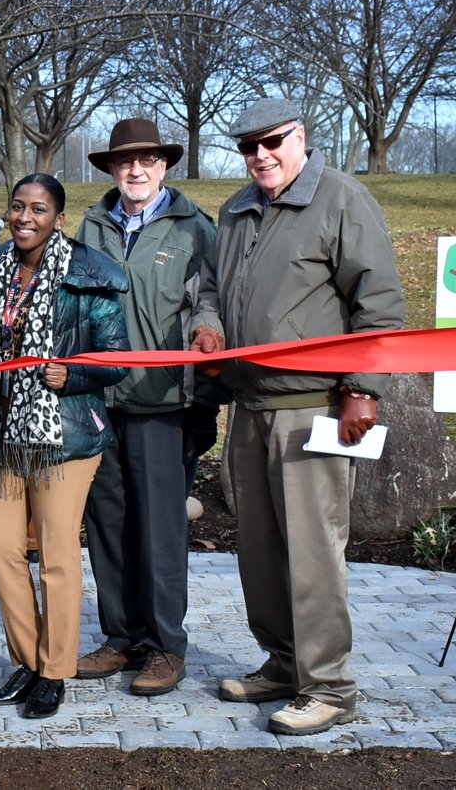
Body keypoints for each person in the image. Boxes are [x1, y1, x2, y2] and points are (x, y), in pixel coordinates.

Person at [189, 98, 405, 736]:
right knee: (259, 553)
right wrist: (208, 324)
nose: (261, 155)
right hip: (249, 406)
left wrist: (362, 389)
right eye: (247, 146)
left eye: (273, 141)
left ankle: (329, 687)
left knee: (313, 554)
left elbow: (378, 301)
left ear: (300, 137)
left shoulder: (341, 198)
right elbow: (210, 286)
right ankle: (284, 664)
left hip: (312, 407)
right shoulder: (235, 209)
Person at [0, 173, 130, 720]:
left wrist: (74, 374)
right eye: (17, 206)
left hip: (66, 435)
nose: (25, 218)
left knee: (56, 556)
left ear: (59, 218)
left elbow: (118, 358)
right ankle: (29, 660)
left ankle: (55, 671)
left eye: (39, 209)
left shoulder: (91, 274)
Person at [73, 118, 220, 696]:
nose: (136, 170)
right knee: (107, 523)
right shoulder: (90, 226)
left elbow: (212, 302)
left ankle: (164, 645)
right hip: (98, 399)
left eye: (147, 161)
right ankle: (121, 636)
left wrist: (205, 372)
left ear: (163, 166)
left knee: (160, 528)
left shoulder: (194, 228)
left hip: (162, 401)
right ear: (112, 168)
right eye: (125, 161)